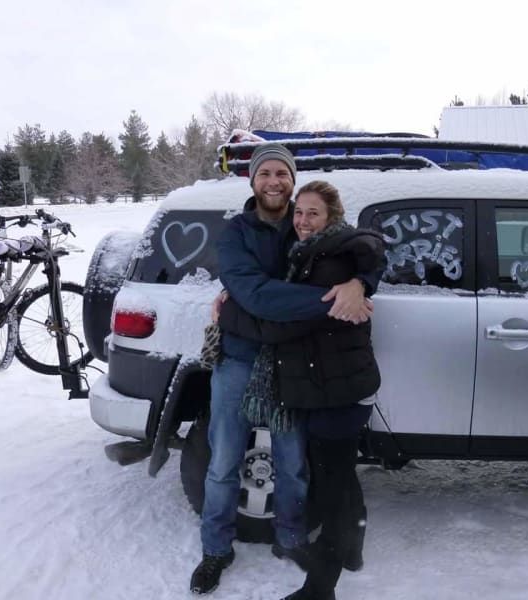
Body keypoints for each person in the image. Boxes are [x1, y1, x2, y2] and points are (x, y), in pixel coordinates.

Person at [190, 144, 379, 596]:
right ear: (252, 181)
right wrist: (334, 300)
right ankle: (216, 548)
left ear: (292, 179)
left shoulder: (306, 220)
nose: (274, 181)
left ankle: (291, 539)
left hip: (292, 360)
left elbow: (365, 243)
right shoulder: (235, 232)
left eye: (282, 174)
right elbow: (256, 294)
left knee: (292, 462)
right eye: (265, 174)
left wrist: (360, 282)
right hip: (239, 358)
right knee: (223, 461)